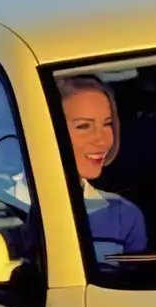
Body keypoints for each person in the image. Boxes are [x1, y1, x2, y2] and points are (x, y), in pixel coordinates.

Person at [58, 75, 147, 259]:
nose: (103, 140)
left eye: (107, 124)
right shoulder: (4, 207)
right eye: (84, 126)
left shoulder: (123, 215)